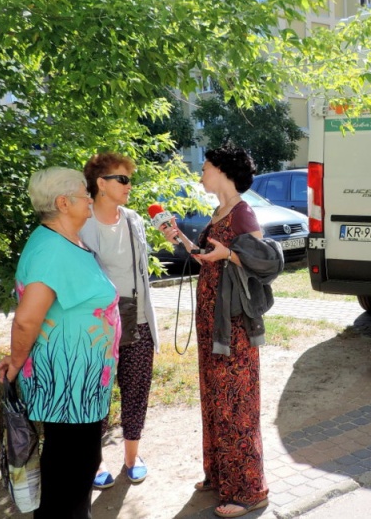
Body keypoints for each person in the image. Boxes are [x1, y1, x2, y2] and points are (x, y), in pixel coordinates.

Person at [158, 145, 283, 518]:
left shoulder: (243, 213)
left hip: (234, 327)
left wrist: (228, 255)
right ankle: (220, 476)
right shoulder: (219, 212)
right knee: (216, 400)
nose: (201, 171)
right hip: (213, 322)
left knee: (237, 405)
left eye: (207, 166)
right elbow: (205, 255)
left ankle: (249, 490)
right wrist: (179, 239)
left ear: (224, 171)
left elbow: (262, 262)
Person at [0, 167, 120, 518]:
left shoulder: (67, 241)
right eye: (85, 194)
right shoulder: (51, 249)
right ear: (63, 203)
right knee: (70, 472)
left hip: (80, 387)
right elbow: (26, 318)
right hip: (66, 387)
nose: (90, 200)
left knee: (77, 467)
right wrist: (16, 361)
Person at [80, 152, 159, 489]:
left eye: (129, 179)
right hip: (98, 326)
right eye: (122, 179)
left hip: (137, 319)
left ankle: (131, 457)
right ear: (101, 183)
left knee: (137, 390)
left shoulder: (133, 220)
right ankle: (94, 461)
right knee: (96, 395)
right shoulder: (81, 224)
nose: (129, 186)